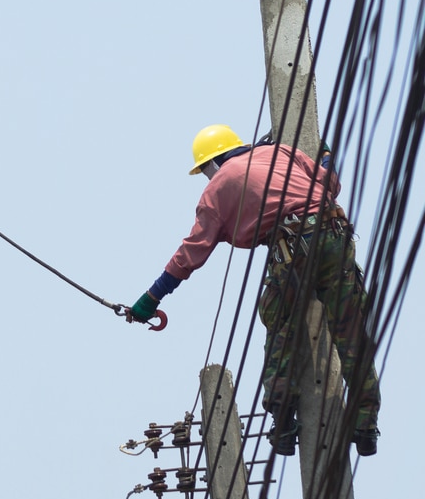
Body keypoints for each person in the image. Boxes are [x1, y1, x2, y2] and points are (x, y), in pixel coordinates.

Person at [127, 124, 381, 457]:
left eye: (205, 170)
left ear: (214, 162)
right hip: (335, 235)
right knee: (350, 332)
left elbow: (192, 252)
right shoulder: (283, 152)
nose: (208, 177)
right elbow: (329, 183)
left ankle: (285, 423)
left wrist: (152, 297)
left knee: (280, 327)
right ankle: (365, 424)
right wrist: (328, 156)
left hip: (293, 250)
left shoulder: (216, 190)